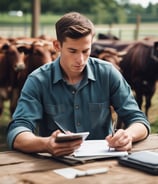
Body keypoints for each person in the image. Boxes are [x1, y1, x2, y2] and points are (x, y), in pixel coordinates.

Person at [7, 12, 150, 156]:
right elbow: (17, 131)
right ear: (57, 46)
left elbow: (139, 120)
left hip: (105, 163)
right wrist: (46, 144)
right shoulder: (37, 80)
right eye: (72, 51)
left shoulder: (108, 73)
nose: (80, 59)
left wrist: (128, 135)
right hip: (54, 165)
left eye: (85, 51)